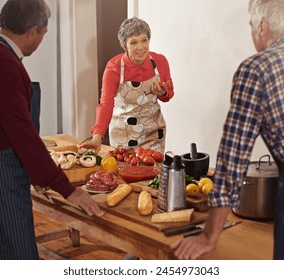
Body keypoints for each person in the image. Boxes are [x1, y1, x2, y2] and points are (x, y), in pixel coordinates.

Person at [171, 0, 284, 260]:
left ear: (263, 26)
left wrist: (210, 236)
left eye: (251, 26)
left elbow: (233, 160)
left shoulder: (257, 68)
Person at [0, 0, 104, 260]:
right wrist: (65, 187)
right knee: (18, 254)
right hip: (3, 170)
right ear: (33, 31)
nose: (41, 40)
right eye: (43, 34)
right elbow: (22, 134)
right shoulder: (6, 64)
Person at [80, 17, 174, 154]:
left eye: (144, 40)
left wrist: (163, 93)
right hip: (123, 135)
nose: (140, 47)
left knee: (154, 173)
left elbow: (169, 94)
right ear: (125, 46)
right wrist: (97, 137)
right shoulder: (114, 67)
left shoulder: (160, 62)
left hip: (153, 134)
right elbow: (106, 104)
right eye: (133, 42)